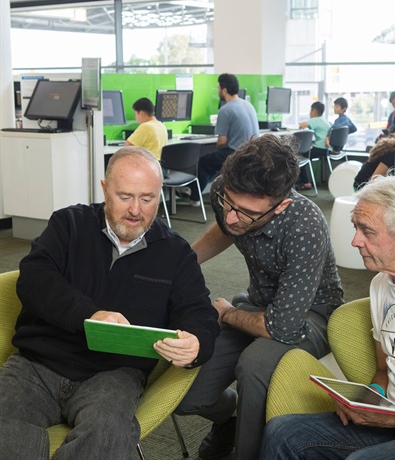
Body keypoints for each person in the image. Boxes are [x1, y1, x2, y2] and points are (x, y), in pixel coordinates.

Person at [0, 146, 220, 460]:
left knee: (107, 436)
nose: (136, 210)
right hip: (38, 364)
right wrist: (90, 314)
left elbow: (198, 311)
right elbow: (34, 278)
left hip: (114, 374)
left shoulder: (176, 253)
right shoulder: (68, 224)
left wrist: (197, 342)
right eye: (125, 196)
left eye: (148, 199)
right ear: (105, 190)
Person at [260, 173, 395, 460]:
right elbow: (384, 370)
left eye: (367, 231)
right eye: (355, 228)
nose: (355, 241)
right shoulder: (381, 283)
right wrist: (366, 406)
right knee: (283, 432)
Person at [175, 134, 344, 460]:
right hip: (259, 303)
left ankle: (248, 451)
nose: (232, 216)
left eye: (248, 212)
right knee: (188, 392)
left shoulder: (304, 223)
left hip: (313, 313)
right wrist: (185, 261)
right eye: (229, 204)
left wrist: (226, 314)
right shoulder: (228, 189)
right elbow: (227, 228)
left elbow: (283, 327)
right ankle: (232, 419)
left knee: (254, 366)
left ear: (280, 204)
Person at [184, 73, 259, 206]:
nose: (218, 91)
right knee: (214, 160)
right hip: (253, 153)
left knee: (204, 162)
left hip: (235, 154)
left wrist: (218, 147)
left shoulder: (225, 109)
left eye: (218, 88)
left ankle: (195, 198)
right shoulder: (248, 106)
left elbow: (222, 142)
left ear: (224, 90)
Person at [125, 97, 168, 172]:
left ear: (142, 113)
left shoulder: (146, 126)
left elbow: (128, 146)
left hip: (150, 169)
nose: (136, 118)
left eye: (135, 114)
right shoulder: (161, 125)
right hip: (161, 168)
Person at [297, 101, 331, 190]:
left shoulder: (316, 119)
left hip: (320, 148)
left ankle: (306, 182)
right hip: (326, 149)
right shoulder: (324, 120)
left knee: (298, 156)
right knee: (302, 155)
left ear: (314, 111)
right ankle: (305, 181)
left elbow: (303, 125)